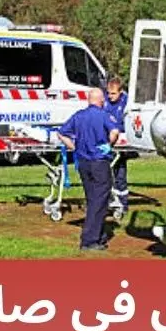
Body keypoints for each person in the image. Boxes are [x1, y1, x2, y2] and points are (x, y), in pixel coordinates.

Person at [57, 88, 119, 251]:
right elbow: (114, 131)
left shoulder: (78, 116)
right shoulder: (104, 115)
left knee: (92, 199)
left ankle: (99, 235)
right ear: (101, 100)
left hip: (83, 163)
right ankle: (89, 239)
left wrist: (74, 147)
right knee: (100, 200)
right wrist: (109, 144)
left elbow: (62, 134)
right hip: (99, 162)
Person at [103, 77, 130, 214]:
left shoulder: (127, 102)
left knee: (120, 174)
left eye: (113, 93)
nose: (110, 96)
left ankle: (123, 203)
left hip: (120, 142)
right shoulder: (105, 101)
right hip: (106, 140)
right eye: (108, 93)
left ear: (121, 92)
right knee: (105, 174)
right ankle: (108, 202)